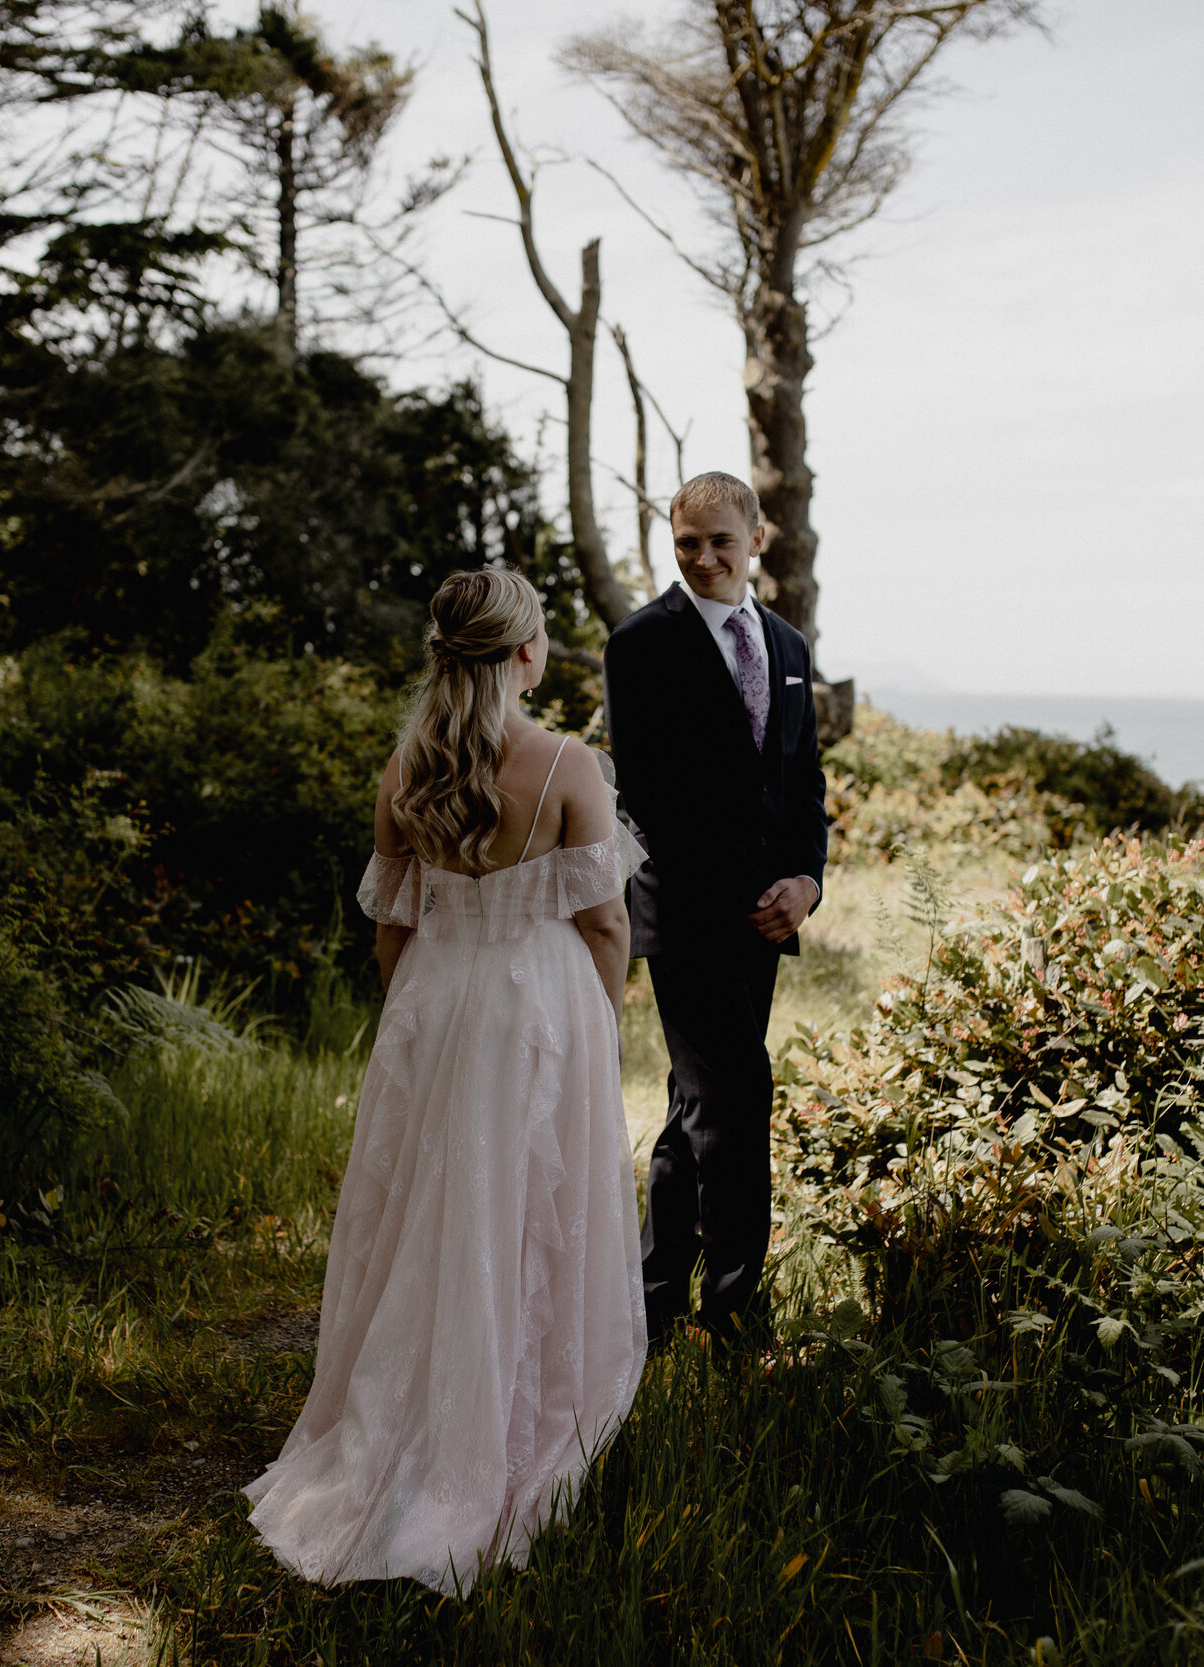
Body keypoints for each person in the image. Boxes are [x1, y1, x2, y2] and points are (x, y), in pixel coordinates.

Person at [243, 569, 648, 1595]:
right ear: (525, 654)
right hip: (536, 1008)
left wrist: (416, 1015)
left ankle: (404, 1414)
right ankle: (504, 1425)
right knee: (529, 1207)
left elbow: (392, 925)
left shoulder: (406, 764)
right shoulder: (565, 763)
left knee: (428, 1214)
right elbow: (604, 921)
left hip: (434, 1001)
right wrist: (599, 1017)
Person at [604, 471, 830, 1351]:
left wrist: (805, 881)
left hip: (771, 916)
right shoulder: (640, 642)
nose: (701, 557)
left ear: (757, 540)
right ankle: (736, 1316)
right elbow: (653, 794)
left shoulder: (787, 644)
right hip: (689, 910)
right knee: (738, 1097)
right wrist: (755, 892)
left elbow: (802, 781)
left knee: (696, 1104)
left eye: (719, 541)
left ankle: (652, 1299)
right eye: (686, 541)